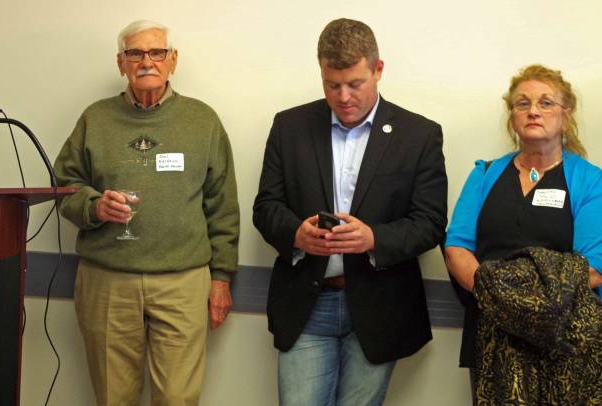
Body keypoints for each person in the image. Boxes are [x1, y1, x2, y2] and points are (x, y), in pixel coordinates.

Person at [253, 18, 447, 405]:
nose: (343, 96)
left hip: (378, 308)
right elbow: (266, 207)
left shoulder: (419, 135)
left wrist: (373, 238)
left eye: (355, 84)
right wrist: (296, 234)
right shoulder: (289, 126)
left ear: (378, 70)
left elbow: (430, 223)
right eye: (332, 84)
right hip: (307, 305)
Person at [53, 20, 239, 406]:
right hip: (108, 282)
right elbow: (64, 186)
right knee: (113, 397)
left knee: (177, 399)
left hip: (183, 282)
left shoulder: (202, 121)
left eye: (156, 52)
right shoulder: (95, 119)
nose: (146, 61)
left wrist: (221, 278)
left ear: (173, 60)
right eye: (135, 53)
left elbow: (222, 205)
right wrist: (94, 205)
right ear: (121, 63)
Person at [444, 64, 602, 402]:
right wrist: (499, 301)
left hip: (563, 341)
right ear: (512, 115)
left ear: (566, 114)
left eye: (546, 103)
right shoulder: (484, 175)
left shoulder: (591, 181)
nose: (533, 110)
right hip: (490, 332)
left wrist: (528, 305)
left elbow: (593, 267)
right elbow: (457, 247)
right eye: (522, 103)